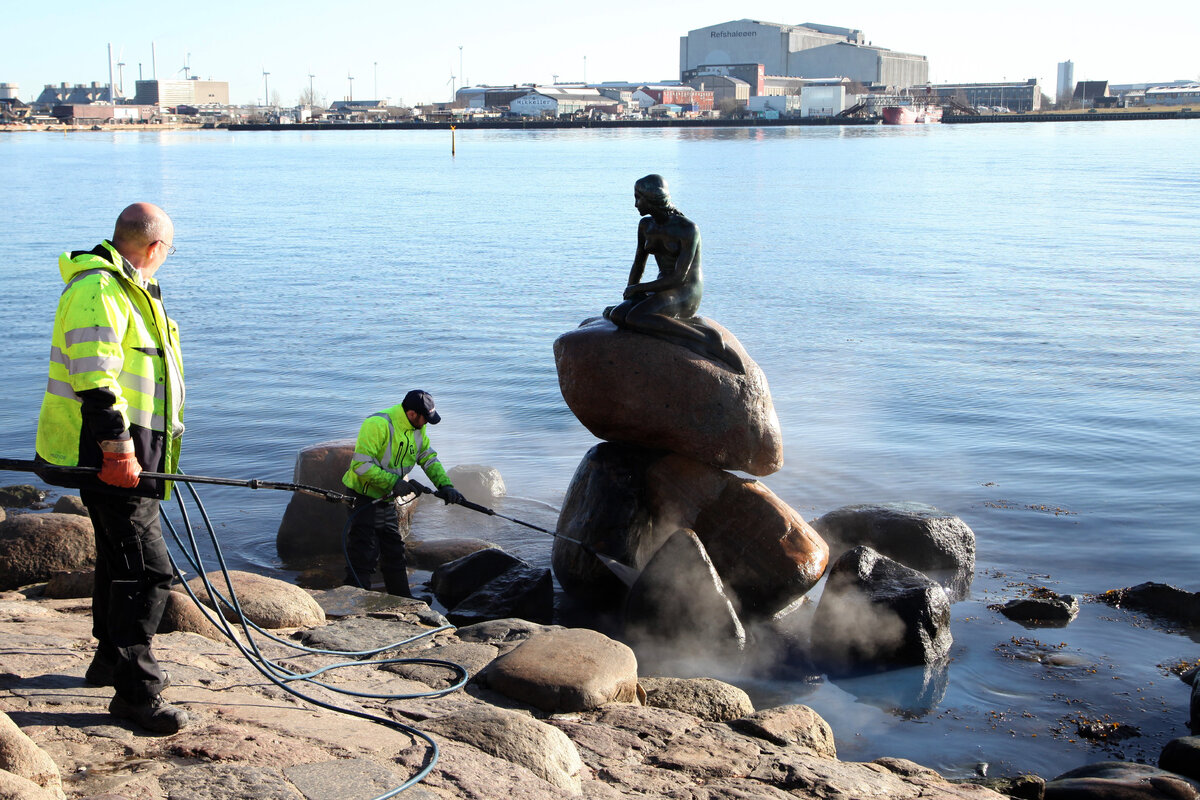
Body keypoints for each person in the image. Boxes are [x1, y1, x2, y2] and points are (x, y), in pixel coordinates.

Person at [34, 202, 188, 734]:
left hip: (128, 456)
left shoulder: (129, 290)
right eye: (168, 250)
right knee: (147, 573)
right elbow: (95, 379)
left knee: (116, 561)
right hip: (106, 456)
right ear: (154, 248)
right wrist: (118, 450)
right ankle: (136, 694)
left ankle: (106, 661)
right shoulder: (99, 290)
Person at [603, 174, 743, 373]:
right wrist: (630, 293)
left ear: (653, 198)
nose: (635, 204)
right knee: (618, 315)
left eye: (638, 197)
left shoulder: (687, 229)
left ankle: (706, 338)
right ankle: (681, 327)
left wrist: (640, 288)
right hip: (661, 288)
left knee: (636, 318)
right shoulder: (645, 226)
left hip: (685, 290)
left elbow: (679, 277)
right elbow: (638, 265)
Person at [341, 390, 464, 596]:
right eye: (425, 418)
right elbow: (361, 465)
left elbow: (427, 457)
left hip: (386, 497)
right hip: (363, 497)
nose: (426, 424)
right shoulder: (378, 424)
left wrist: (445, 486)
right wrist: (394, 482)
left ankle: (403, 601)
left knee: (395, 552)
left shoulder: (417, 429)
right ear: (412, 413)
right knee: (364, 554)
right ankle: (354, 604)